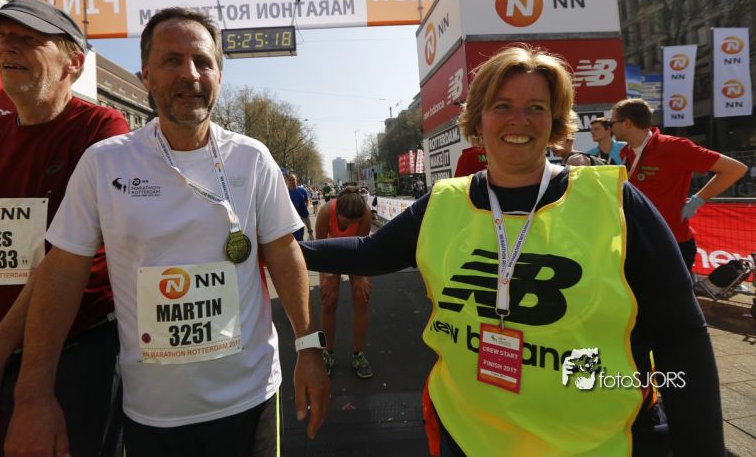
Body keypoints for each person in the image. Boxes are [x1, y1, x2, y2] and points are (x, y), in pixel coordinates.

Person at [300, 46, 724, 456]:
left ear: (554, 120)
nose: (518, 120)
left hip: (599, 444)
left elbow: (683, 337)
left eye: (536, 107)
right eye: (502, 106)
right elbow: (368, 253)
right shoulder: (443, 202)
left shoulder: (615, 201)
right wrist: (285, 250)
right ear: (478, 118)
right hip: (466, 437)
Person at [3, 7, 330, 456]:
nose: (190, 74)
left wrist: (309, 349)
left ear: (219, 76)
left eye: (203, 62)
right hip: (153, 413)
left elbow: (283, 252)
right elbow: (61, 275)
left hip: (250, 398)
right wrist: (33, 395)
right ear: (146, 76)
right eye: (172, 60)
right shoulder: (104, 163)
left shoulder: (251, 158)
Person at [0, 0, 129, 456]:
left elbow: (61, 266)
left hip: (77, 356)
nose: (8, 47)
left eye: (27, 39)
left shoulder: (103, 131)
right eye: (2, 37)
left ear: (73, 64)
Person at [610, 98, 746, 273]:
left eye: (611, 123)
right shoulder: (627, 152)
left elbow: (735, 169)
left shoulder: (674, 147)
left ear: (627, 123)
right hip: (640, 242)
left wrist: (697, 200)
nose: (610, 127)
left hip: (672, 244)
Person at [315, 187, 374, 379]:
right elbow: (320, 250)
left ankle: (358, 355)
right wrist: (325, 278)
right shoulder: (325, 212)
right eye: (347, 222)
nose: (351, 224)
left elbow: (362, 248)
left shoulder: (364, 212)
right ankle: (328, 353)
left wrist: (362, 277)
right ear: (338, 212)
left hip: (354, 253)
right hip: (330, 254)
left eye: (354, 222)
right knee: (329, 301)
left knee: (362, 298)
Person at [287, 173, 313, 240]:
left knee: (300, 240)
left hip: (299, 221)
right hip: (289, 223)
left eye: (293, 179)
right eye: (290, 180)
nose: (292, 181)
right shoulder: (286, 192)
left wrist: (310, 232)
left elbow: (307, 201)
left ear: (296, 180)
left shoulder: (302, 191)